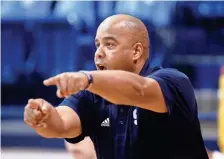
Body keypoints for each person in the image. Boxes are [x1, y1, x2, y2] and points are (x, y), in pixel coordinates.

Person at [24, 14, 209, 159]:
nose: (98, 53)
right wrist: (44, 117)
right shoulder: (90, 95)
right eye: (97, 45)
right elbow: (61, 124)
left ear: (136, 51)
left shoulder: (173, 81)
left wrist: (87, 79)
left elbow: (139, 89)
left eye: (109, 45)